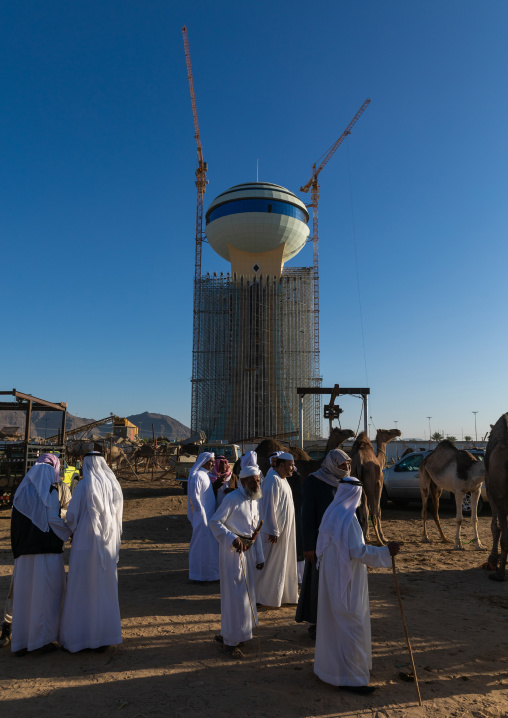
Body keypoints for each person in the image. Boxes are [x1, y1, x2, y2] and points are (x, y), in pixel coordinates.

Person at [314, 477, 400, 695]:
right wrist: (384, 552)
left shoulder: (331, 513)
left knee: (336, 624)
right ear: (356, 494)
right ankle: (352, 679)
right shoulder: (348, 519)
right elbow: (358, 551)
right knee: (353, 626)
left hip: (332, 578)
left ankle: (331, 672)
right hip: (346, 581)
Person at [59, 452, 123, 653]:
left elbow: (72, 516)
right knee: (103, 589)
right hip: (108, 545)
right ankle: (104, 637)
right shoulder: (114, 485)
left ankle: (81, 639)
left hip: (85, 545)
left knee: (83, 588)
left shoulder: (84, 485)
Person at [10, 453, 69, 655]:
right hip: (46, 555)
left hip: (24, 556)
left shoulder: (20, 493)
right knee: (46, 597)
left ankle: (21, 642)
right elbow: (53, 521)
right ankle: (40, 641)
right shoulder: (51, 492)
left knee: (25, 598)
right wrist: (69, 532)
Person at [210, 466, 264, 658]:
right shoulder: (232, 499)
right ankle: (230, 640)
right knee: (235, 596)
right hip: (233, 553)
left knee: (246, 596)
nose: (256, 484)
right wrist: (232, 538)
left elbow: (255, 530)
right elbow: (215, 522)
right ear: (242, 482)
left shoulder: (255, 500)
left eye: (258, 480)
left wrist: (260, 556)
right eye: (252, 481)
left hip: (248, 552)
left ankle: (240, 634)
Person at [296, 449, 352, 638]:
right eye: (342, 465)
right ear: (332, 464)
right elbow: (307, 515)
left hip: (340, 543)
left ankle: (335, 620)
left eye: (347, 464)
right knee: (317, 584)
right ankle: (316, 623)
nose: (346, 468)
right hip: (321, 544)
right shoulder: (314, 480)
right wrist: (309, 546)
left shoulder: (347, 482)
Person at [255, 453, 298, 608]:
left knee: (281, 564)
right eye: (290, 465)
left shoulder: (283, 480)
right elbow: (267, 507)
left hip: (284, 532)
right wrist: (273, 529)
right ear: (281, 465)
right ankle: (260, 596)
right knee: (268, 564)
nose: (293, 468)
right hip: (274, 533)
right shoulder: (272, 480)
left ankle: (280, 595)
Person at [187, 452, 219, 582]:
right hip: (202, 519)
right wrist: (202, 518)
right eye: (211, 461)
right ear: (204, 461)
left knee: (209, 547)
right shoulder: (197, 476)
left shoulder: (205, 475)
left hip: (208, 517)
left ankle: (209, 575)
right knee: (201, 546)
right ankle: (199, 575)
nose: (213, 463)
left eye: (213, 461)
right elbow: (195, 499)